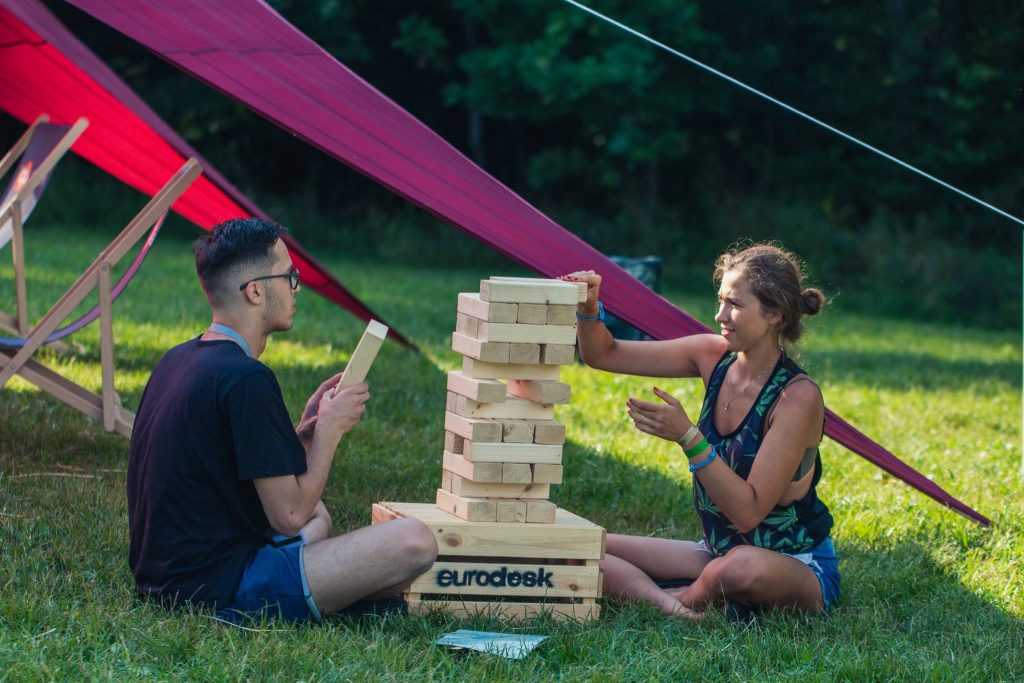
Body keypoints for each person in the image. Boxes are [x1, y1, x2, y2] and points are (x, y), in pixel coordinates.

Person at [127, 217, 437, 623]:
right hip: (220, 589)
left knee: (319, 516)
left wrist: (305, 430)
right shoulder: (246, 378)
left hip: (165, 579)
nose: (296, 286)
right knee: (414, 543)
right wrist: (330, 431)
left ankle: (324, 590)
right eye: (289, 276)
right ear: (255, 291)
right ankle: (310, 597)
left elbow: (232, 468)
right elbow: (288, 518)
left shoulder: (179, 359)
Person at [564, 243, 838, 620]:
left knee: (739, 568)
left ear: (775, 314)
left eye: (735, 305)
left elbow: (747, 513)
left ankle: (685, 597)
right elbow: (603, 354)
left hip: (795, 564)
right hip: (716, 552)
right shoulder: (713, 357)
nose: (719, 315)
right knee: (582, 546)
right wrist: (589, 309)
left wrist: (688, 437)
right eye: (721, 300)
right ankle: (684, 605)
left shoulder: (797, 398)